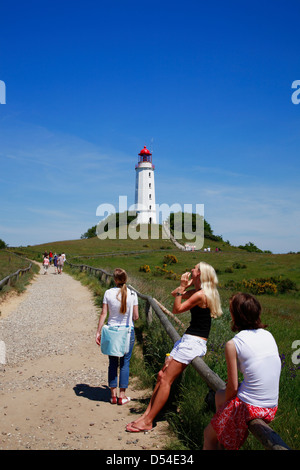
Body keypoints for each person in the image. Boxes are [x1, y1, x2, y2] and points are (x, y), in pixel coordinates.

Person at [126, 261, 223, 433]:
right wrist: (183, 286)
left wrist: (182, 286)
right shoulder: (199, 291)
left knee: (166, 379)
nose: (191, 269)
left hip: (193, 343)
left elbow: (177, 308)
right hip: (188, 339)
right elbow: (175, 293)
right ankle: (147, 414)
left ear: (200, 274)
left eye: (195, 268)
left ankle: (149, 420)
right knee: (161, 375)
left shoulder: (202, 295)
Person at [203, 292, 281, 450]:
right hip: (271, 406)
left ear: (234, 315)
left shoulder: (234, 344)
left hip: (249, 407)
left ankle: (220, 437)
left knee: (207, 435)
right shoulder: (268, 335)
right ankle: (222, 435)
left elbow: (232, 389)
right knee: (219, 395)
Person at [96, 268, 139, 405]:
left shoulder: (108, 293)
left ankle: (112, 395)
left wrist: (98, 332)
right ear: (126, 279)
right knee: (125, 363)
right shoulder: (132, 293)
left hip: (112, 332)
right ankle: (122, 396)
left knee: (113, 363)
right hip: (127, 332)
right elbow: (136, 316)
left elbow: (103, 314)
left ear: (115, 280)